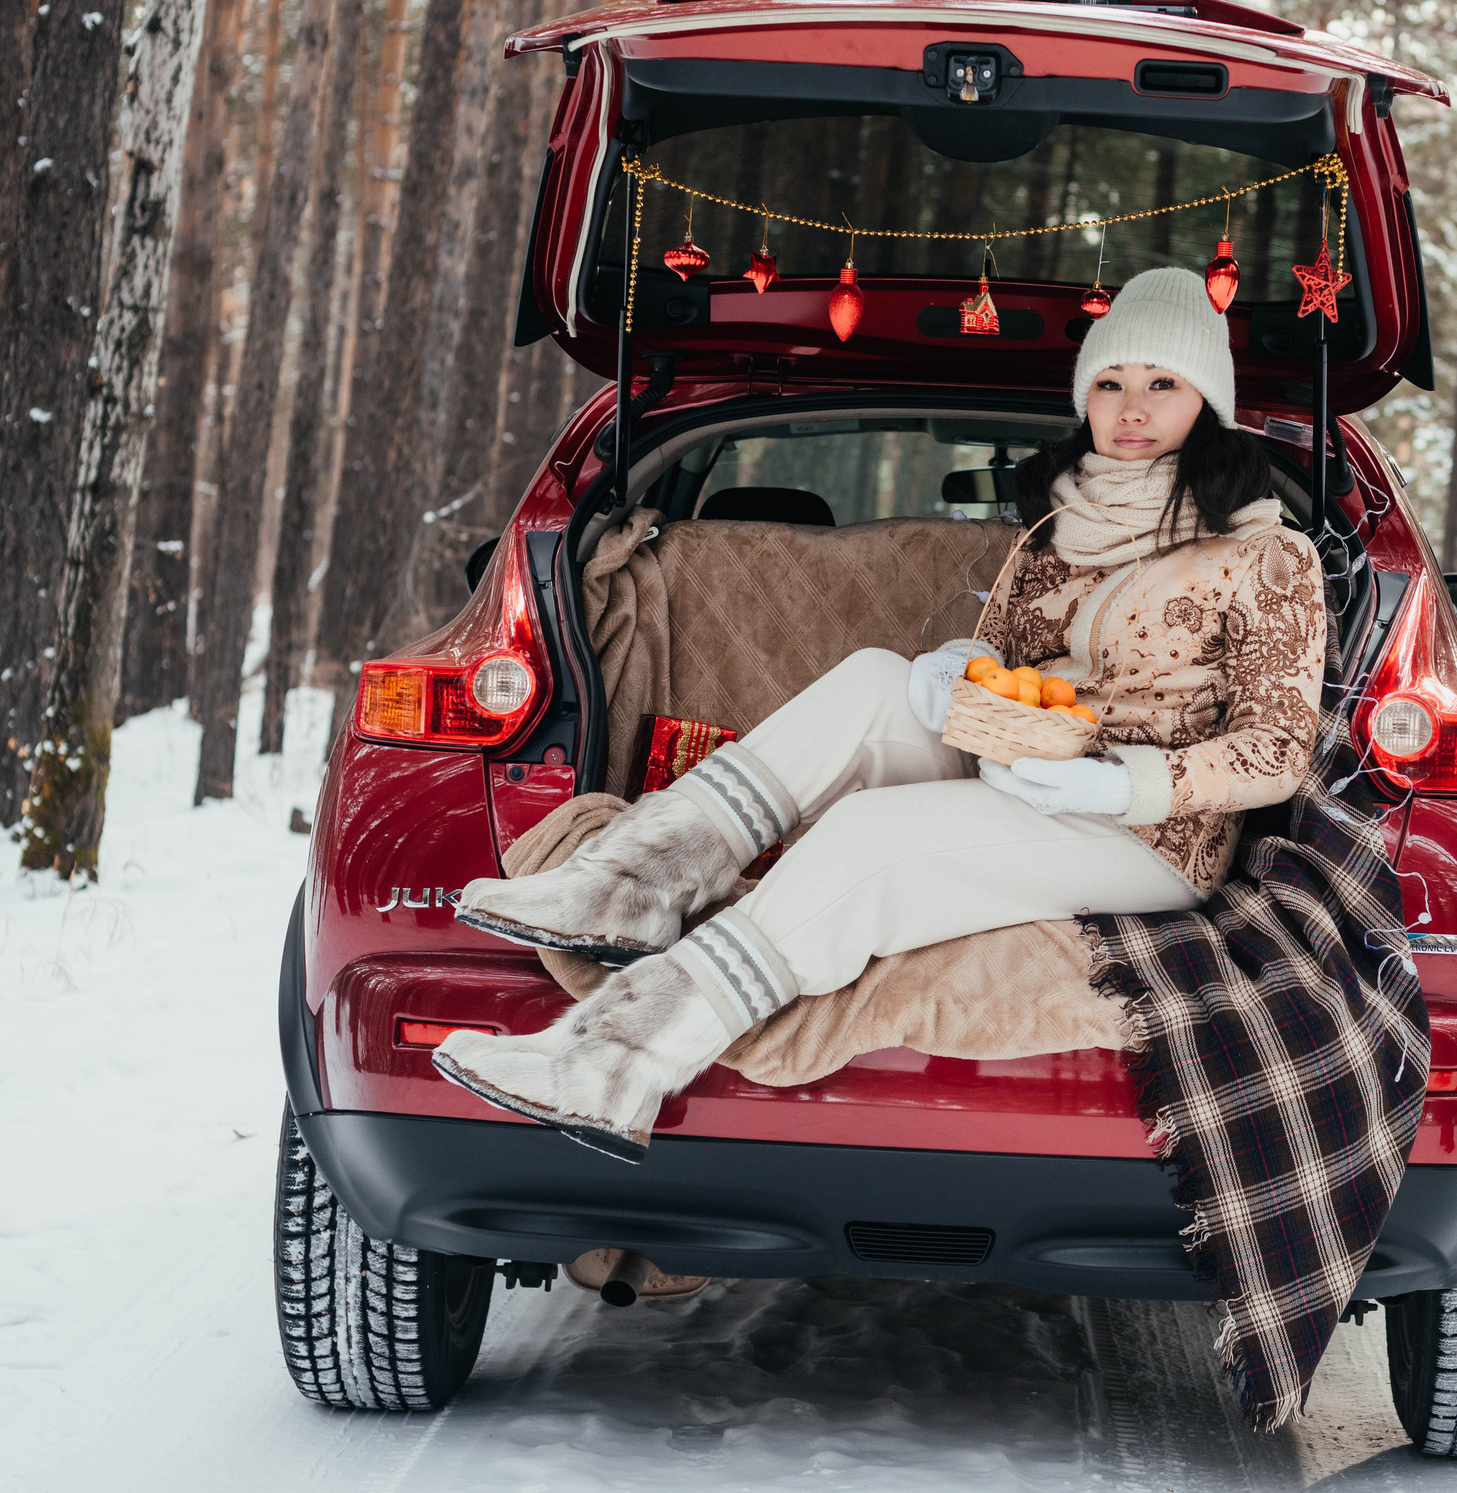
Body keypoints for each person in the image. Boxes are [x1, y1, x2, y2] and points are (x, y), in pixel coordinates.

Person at [433, 266, 1329, 1160]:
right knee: (873, 676)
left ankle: (606, 1066)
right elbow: (1003, 660)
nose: (1131, 407)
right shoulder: (1057, 529)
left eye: (1161, 384)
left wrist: (1116, 786)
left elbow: (1280, 746)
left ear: (1205, 400)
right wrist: (952, 669)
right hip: (1025, 762)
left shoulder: (1267, 554)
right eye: (1110, 383)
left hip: (1150, 836)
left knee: (870, 835)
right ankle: (626, 891)